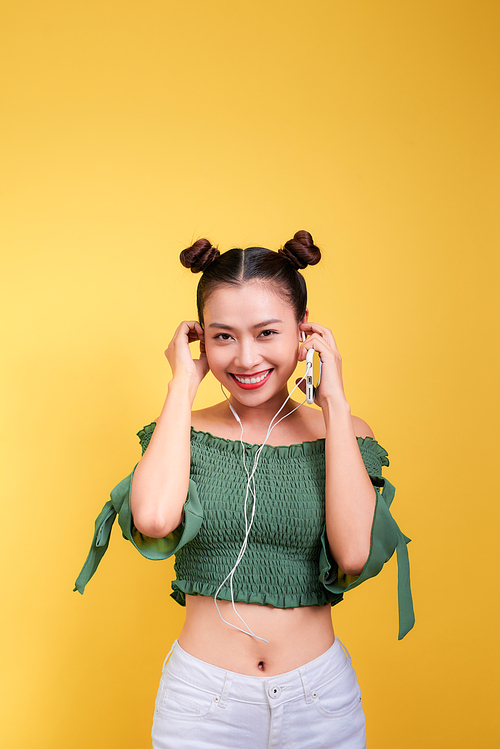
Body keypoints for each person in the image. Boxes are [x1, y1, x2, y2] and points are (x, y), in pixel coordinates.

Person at [74, 230, 414, 749]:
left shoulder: (343, 433)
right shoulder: (182, 432)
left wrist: (336, 403)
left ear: (305, 335)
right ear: (200, 341)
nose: (246, 358)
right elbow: (154, 519)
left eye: (267, 333)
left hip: (319, 700)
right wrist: (181, 385)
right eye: (224, 336)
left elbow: (353, 553)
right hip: (202, 702)